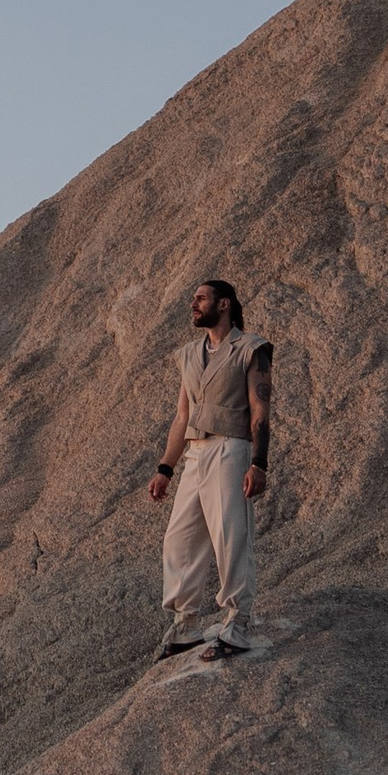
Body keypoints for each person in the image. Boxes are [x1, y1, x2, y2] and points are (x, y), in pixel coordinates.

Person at [148, 280, 272, 659]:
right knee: (179, 540)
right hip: (195, 454)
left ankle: (238, 622)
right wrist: (165, 467)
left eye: (200, 299)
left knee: (230, 537)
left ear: (224, 304)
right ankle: (186, 624)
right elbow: (182, 415)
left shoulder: (250, 348)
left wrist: (259, 463)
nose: (193, 304)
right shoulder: (188, 354)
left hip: (231, 449)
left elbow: (261, 412)